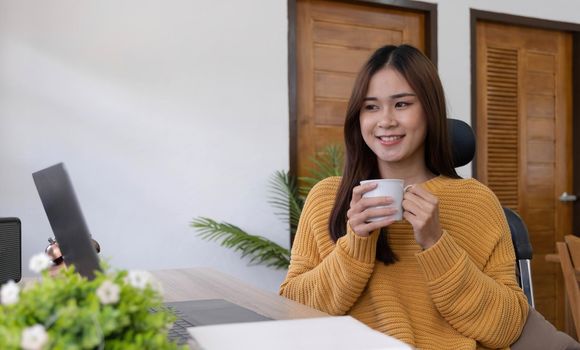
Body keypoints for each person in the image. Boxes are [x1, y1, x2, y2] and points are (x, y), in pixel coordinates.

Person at [279, 44, 530, 349]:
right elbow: (292, 312)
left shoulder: (476, 202)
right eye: (371, 107)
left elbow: (507, 328)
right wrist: (355, 244)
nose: (385, 120)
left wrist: (437, 243)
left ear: (430, 109)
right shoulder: (328, 198)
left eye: (401, 104)